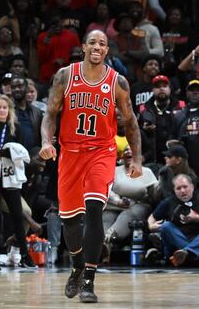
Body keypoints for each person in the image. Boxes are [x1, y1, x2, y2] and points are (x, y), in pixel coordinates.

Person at [39, 30, 142, 303]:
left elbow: (131, 122)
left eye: (103, 44)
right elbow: (50, 114)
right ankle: (76, 266)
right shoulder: (65, 76)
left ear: (107, 51)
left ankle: (89, 280)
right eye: (93, 43)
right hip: (70, 153)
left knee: (95, 209)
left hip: (101, 152)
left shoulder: (117, 82)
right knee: (70, 220)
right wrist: (46, 142)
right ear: (83, 46)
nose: (97, 47)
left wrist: (138, 159)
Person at [0, 95, 37, 269]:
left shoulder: (16, 128)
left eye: (4, 107)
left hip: (9, 177)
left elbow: (23, 154)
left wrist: (2, 154)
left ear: (9, 110)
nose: (2, 110)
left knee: (18, 215)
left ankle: (24, 255)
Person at [148, 174, 199, 267]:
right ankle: (198, 257)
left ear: (192, 187)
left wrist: (197, 217)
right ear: (174, 190)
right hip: (179, 242)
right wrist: (151, 226)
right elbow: (152, 217)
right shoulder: (169, 201)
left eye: (185, 187)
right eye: (178, 188)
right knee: (166, 226)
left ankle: (188, 253)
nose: (182, 191)